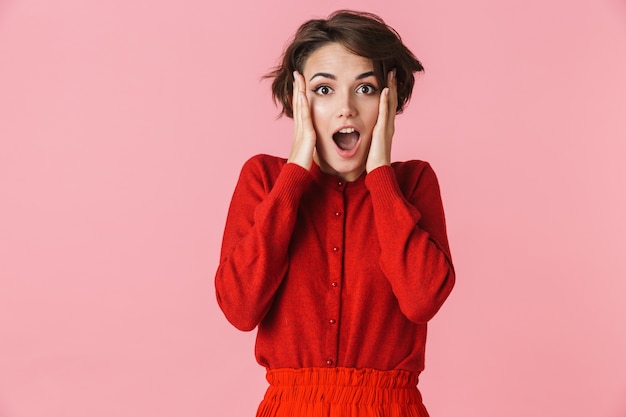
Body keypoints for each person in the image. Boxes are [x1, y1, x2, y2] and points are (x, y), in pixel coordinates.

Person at [215, 10, 455, 417]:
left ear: (389, 100)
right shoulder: (264, 178)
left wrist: (380, 173)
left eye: (365, 88)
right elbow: (240, 308)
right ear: (298, 99)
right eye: (324, 90)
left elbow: (422, 301)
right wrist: (295, 170)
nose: (345, 108)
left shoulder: (413, 183)